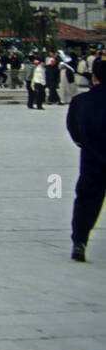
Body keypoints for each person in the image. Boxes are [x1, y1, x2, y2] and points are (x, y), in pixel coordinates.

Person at [67, 59, 106, 261]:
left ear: (94, 77)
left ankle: (80, 242)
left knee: (86, 203)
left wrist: (86, 144)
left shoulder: (80, 102)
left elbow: (74, 131)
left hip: (91, 161)